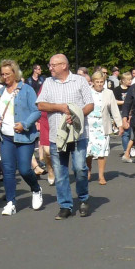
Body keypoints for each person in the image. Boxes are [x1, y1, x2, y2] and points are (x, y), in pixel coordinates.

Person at [36, 54, 95, 218]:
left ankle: (83, 199)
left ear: (64, 65)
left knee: (79, 168)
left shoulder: (79, 81)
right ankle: (65, 205)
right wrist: (59, 107)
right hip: (57, 136)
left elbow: (90, 104)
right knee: (60, 173)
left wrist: (77, 114)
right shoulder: (48, 82)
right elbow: (40, 104)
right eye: (50, 65)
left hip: (78, 135)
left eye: (53, 65)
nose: (50, 68)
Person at [0, 59, 43, 214]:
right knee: (7, 171)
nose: (5, 77)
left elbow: (37, 111)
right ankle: (10, 202)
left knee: (24, 169)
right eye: (2, 74)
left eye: (8, 74)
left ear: (15, 73)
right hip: (5, 137)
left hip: (24, 136)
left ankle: (36, 189)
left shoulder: (26, 89)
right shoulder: (0, 91)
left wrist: (25, 124)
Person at [87, 71, 122, 186]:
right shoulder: (87, 92)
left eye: (101, 82)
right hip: (88, 125)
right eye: (97, 82)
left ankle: (101, 175)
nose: (99, 84)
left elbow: (114, 109)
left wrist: (119, 124)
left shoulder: (109, 93)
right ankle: (88, 170)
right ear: (92, 82)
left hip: (102, 125)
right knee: (89, 152)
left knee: (102, 151)